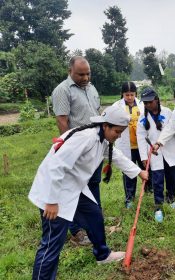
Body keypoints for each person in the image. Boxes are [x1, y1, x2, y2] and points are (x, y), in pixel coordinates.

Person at [29, 106, 149, 279]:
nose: (119, 135)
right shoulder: (85, 138)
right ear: (106, 125)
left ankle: (103, 255)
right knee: (52, 243)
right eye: (117, 131)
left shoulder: (101, 139)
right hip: (53, 191)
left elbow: (115, 155)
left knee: (94, 216)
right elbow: (55, 165)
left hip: (73, 188)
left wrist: (139, 172)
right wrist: (52, 200)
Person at [52, 56, 101, 245]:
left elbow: (96, 113)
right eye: (81, 74)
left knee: (93, 184)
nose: (85, 77)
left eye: (88, 73)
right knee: (76, 189)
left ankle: (95, 220)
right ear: (70, 71)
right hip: (77, 148)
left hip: (94, 146)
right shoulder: (62, 90)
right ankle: (76, 230)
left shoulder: (91, 88)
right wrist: (69, 149)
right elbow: (62, 120)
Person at [136, 88, 175, 222]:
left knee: (171, 178)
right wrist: (144, 157)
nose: (147, 105)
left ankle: (171, 199)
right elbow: (140, 137)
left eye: (150, 102)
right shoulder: (142, 118)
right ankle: (158, 206)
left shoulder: (168, 112)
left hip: (170, 150)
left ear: (156, 99)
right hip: (154, 153)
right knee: (157, 181)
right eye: (145, 103)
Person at [113, 82, 152, 209]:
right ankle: (129, 198)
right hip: (126, 146)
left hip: (141, 145)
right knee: (129, 172)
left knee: (146, 169)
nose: (129, 97)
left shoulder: (142, 105)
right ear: (122, 94)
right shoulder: (116, 107)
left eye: (132, 94)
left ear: (136, 94)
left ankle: (149, 191)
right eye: (126, 94)